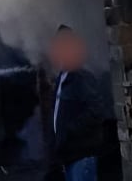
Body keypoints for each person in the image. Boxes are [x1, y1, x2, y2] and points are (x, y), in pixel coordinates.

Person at [48, 26, 106, 181]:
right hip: (70, 156)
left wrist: (70, 130)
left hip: (81, 156)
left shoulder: (80, 76)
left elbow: (97, 110)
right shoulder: (63, 76)